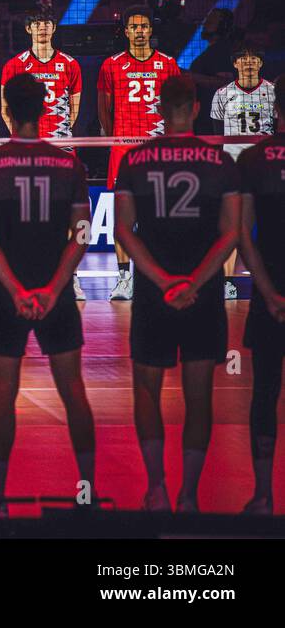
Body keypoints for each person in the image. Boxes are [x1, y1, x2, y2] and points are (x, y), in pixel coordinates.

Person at [0, 74, 96, 518]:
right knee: (74, 391)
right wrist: (54, 289)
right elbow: (81, 235)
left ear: (6, 110)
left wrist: (18, 290)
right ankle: (87, 495)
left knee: (2, 395)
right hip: (54, 290)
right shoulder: (71, 167)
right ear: (44, 109)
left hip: (8, 294)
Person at [114, 75, 239, 512]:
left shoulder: (134, 161)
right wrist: (196, 282)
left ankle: (156, 488)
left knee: (146, 390)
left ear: (159, 108)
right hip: (202, 294)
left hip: (154, 293)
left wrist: (164, 281)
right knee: (200, 392)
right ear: (197, 108)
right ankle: (188, 494)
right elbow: (231, 234)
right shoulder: (220, 163)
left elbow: (124, 232)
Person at [1, 6, 87, 302]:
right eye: (36, 23)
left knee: (65, 214)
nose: (42, 28)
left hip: (60, 147)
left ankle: (70, 279)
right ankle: (24, 276)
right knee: (25, 212)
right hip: (26, 148)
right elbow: (5, 108)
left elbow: (74, 109)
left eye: (47, 23)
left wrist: (60, 135)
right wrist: (22, 138)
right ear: (28, 29)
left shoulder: (70, 64)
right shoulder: (14, 64)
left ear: (54, 27)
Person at [98, 5, 181, 301]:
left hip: (158, 148)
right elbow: (103, 107)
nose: (140, 31)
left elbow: (176, 105)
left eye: (144, 26)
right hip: (124, 147)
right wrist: (111, 139)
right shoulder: (111, 64)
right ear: (126, 31)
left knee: (161, 213)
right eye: (134, 27)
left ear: (151, 29)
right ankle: (124, 278)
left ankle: (160, 275)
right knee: (124, 218)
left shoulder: (168, 63)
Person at [236, 76, 285, 515]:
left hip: (269, 299)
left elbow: (242, 234)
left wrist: (268, 291)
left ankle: (263, 494)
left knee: (265, 392)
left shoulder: (253, 158)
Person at [210, 44, 275, 300]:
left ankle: (272, 277)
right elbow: (217, 135)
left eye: (254, 58)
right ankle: (226, 282)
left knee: (271, 223)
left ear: (261, 63)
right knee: (231, 226)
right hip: (235, 166)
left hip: (265, 166)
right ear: (234, 64)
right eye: (243, 58)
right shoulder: (222, 94)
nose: (248, 62)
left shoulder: (272, 92)